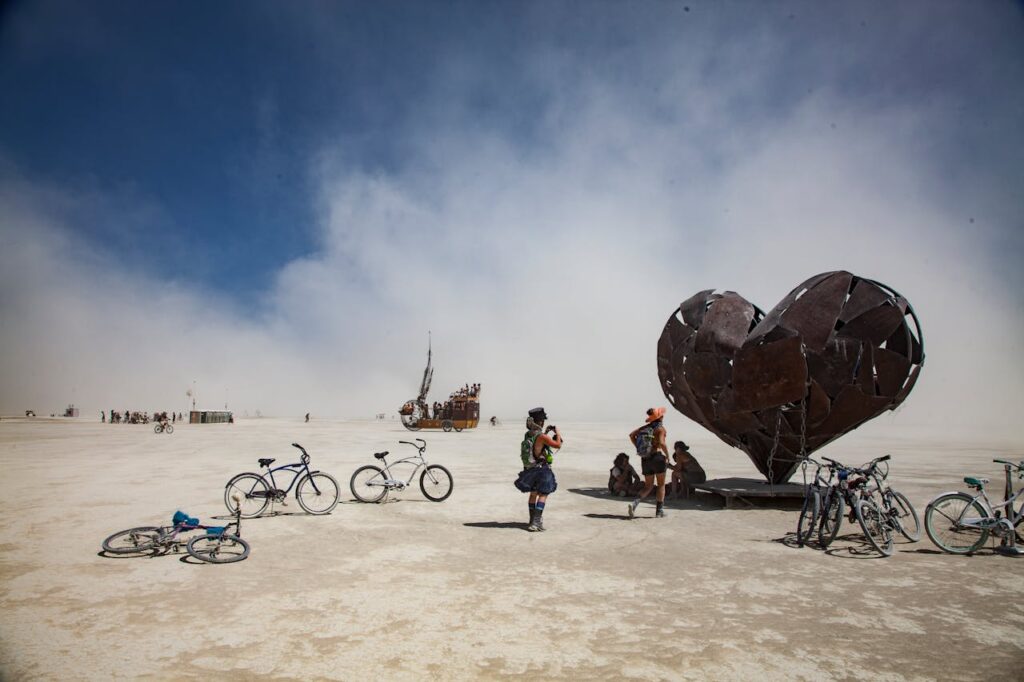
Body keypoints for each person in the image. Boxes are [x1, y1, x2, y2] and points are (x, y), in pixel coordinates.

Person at [514, 407, 562, 532]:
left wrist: (545, 433)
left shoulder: (528, 434)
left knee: (533, 494)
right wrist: (558, 433)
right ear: (540, 422)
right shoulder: (541, 436)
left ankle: (531, 520)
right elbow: (557, 444)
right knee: (543, 493)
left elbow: (538, 443)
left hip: (530, 469)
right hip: (541, 470)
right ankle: (536, 522)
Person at [628, 407, 669, 518]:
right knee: (661, 485)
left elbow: (631, 435)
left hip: (646, 458)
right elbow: (662, 443)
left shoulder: (645, 428)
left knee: (648, 486)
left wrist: (637, 446)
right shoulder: (660, 429)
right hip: (657, 458)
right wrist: (668, 456)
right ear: (660, 417)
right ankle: (659, 511)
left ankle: (634, 503)